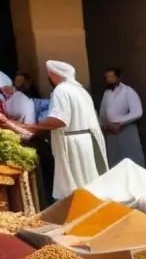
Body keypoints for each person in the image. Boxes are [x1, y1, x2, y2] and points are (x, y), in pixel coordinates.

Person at [6, 61, 107, 200]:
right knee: (89, 182)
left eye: (49, 73)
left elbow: (59, 120)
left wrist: (33, 126)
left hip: (74, 144)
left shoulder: (61, 90)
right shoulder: (80, 90)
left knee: (76, 185)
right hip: (87, 141)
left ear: (53, 74)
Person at [98, 68, 145, 168]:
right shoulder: (107, 93)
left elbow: (137, 112)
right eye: (107, 77)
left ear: (118, 77)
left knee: (131, 159)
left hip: (126, 130)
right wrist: (105, 125)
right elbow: (102, 113)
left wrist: (118, 122)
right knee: (114, 161)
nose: (109, 79)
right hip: (111, 132)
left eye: (111, 76)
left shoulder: (128, 91)